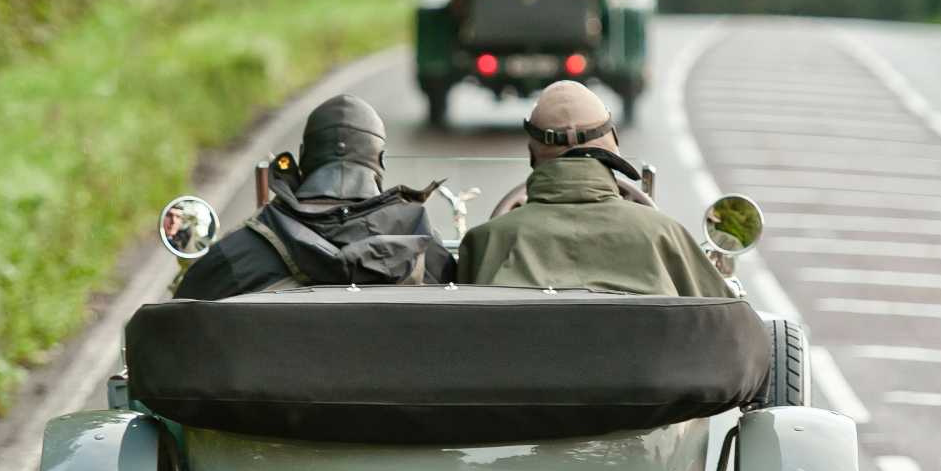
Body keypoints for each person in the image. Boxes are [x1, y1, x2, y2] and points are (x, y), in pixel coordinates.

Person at [456, 81, 729, 297]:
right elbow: (732, 330)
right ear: (613, 145)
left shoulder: (486, 241)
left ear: (533, 156)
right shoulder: (665, 235)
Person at [175, 94, 453, 299]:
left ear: (303, 157)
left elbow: (178, 325)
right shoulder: (424, 246)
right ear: (381, 161)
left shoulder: (239, 252)